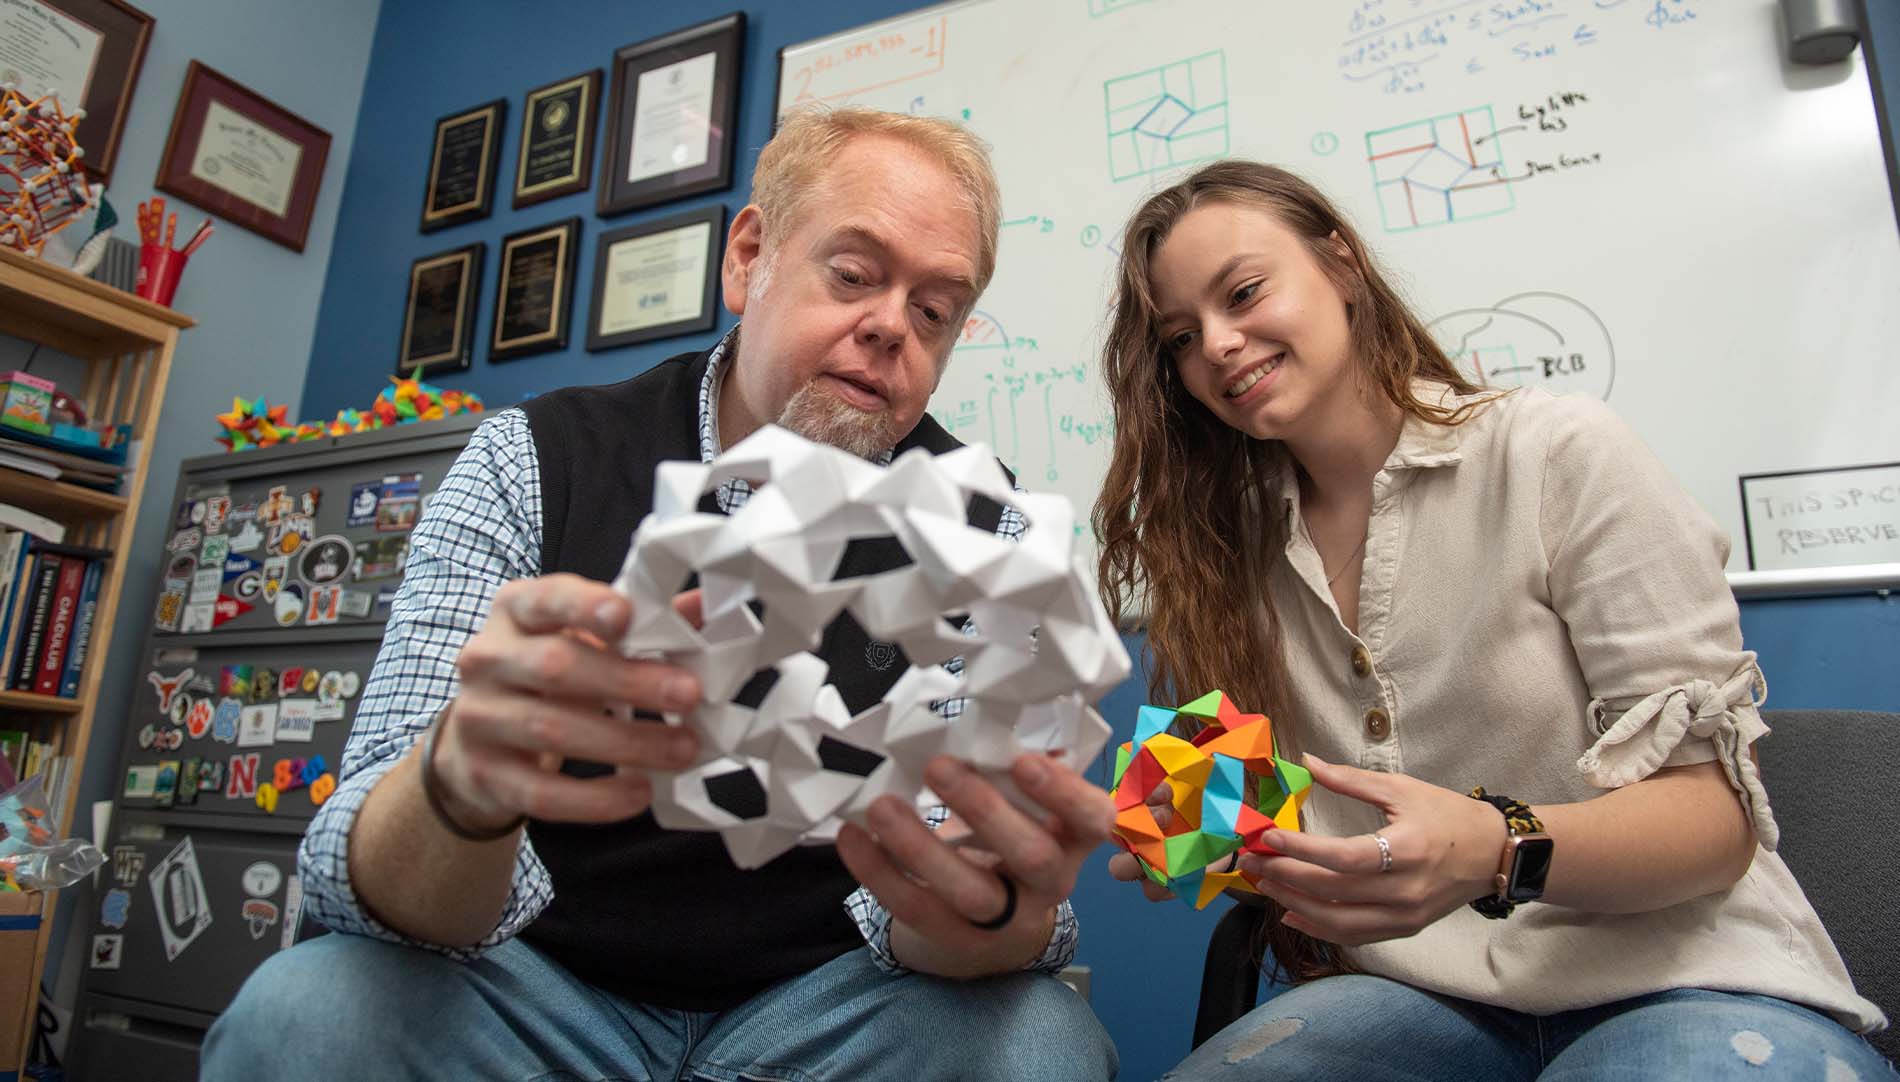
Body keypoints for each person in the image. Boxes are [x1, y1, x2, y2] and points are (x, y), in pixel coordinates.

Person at [203, 107, 1118, 1082]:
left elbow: (1010, 914)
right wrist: (457, 784)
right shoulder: (536, 458)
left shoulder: (992, 522)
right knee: (307, 1013)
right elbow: (357, 885)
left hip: (833, 1005)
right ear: (749, 257)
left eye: (933, 311)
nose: (891, 324)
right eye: (852, 274)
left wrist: (985, 910)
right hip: (530, 985)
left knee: (1039, 1042)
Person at [1094, 161, 1888, 1080]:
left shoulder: (1559, 454)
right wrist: (1183, 827)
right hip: (1413, 1001)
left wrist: (1493, 849)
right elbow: (1261, 817)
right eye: (1183, 337)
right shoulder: (1223, 557)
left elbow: (1717, 826)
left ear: (1343, 266)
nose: (1220, 347)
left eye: (1244, 293)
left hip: (1686, 980)